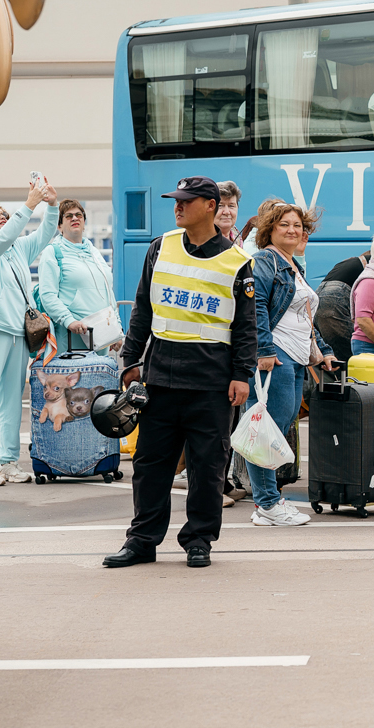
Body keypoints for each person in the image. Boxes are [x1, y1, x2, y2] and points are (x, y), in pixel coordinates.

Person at [105, 177, 255, 569]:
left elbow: (245, 326)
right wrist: (131, 361)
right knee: (150, 465)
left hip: (212, 382)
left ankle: (199, 540)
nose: (178, 206)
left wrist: (242, 373)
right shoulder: (161, 247)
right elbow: (143, 309)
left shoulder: (237, 262)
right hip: (160, 377)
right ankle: (142, 541)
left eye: (187, 201)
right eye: (176, 200)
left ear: (210, 206)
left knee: (208, 468)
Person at [0, 179, 60, 487]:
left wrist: (52, 205)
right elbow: (5, 237)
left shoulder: (16, 249)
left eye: (5, 213)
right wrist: (29, 205)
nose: (3, 217)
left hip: (18, 333)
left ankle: (8, 462)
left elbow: (44, 233)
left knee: (11, 402)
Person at [250, 201, 339, 526]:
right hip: (277, 355)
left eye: (298, 225)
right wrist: (264, 350)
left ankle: (268, 501)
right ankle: (267, 504)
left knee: (278, 427)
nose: (293, 230)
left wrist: (323, 351)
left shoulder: (291, 265)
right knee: (267, 431)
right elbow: (256, 305)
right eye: (284, 224)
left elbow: (305, 317)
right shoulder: (266, 260)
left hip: (296, 357)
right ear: (270, 229)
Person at [37, 199, 119, 354]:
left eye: (78, 215)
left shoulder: (94, 253)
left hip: (101, 336)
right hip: (72, 338)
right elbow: (47, 295)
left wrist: (116, 328)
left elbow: (108, 292)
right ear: (59, 226)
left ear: (84, 222)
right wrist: (69, 321)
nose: (74, 218)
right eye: (68, 216)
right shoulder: (53, 252)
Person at [214, 180, 243, 245]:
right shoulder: (200, 239)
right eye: (220, 206)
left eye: (231, 206)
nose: (226, 212)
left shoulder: (237, 236)